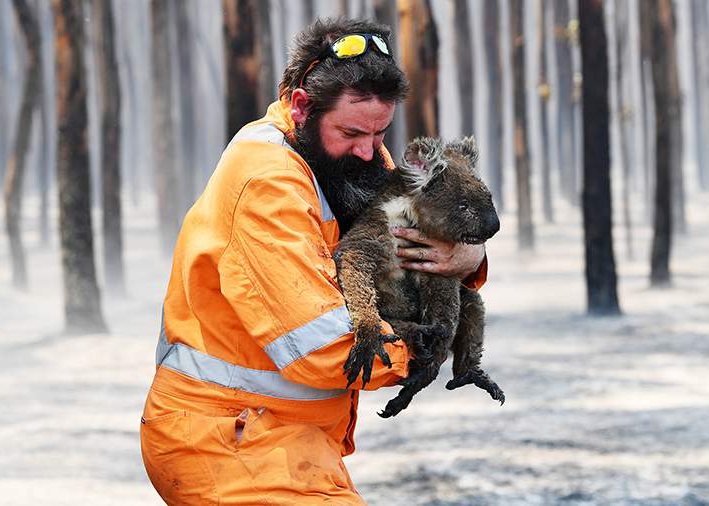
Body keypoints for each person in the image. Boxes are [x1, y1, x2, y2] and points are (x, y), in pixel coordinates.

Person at [140, 18, 488, 505]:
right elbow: (323, 347)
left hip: (285, 438)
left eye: (381, 132)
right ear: (302, 106)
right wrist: (429, 345)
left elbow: (418, 237)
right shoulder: (267, 183)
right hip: (226, 440)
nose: (371, 151)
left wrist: (470, 257)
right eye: (353, 132)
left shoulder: (348, 153)